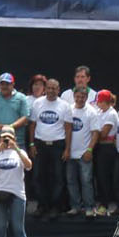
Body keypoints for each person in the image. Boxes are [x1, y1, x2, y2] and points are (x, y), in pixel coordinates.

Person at [29, 78, 68, 219]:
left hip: (58, 145)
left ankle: (55, 207)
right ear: (45, 89)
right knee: (38, 177)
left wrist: (67, 149)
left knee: (57, 177)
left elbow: (68, 128)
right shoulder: (38, 103)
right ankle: (42, 205)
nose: (51, 91)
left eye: (54, 88)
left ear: (59, 90)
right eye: (49, 88)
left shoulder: (64, 106)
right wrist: (32, 144)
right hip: (40, 144)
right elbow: (32, 125)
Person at [62, 86, 98, 216]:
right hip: (70, 153)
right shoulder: (68, 110)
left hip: (84, 153)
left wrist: (89, 150)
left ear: (87, 97)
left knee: (86, 181)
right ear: (74, 96)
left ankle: (89, 207)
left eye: (82, 97)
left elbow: (95, 133)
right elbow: (65, 130)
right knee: (71, 181)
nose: (79, 99)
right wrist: (66, 150)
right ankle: (75, 206)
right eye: (77, 96)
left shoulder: (92, 112)